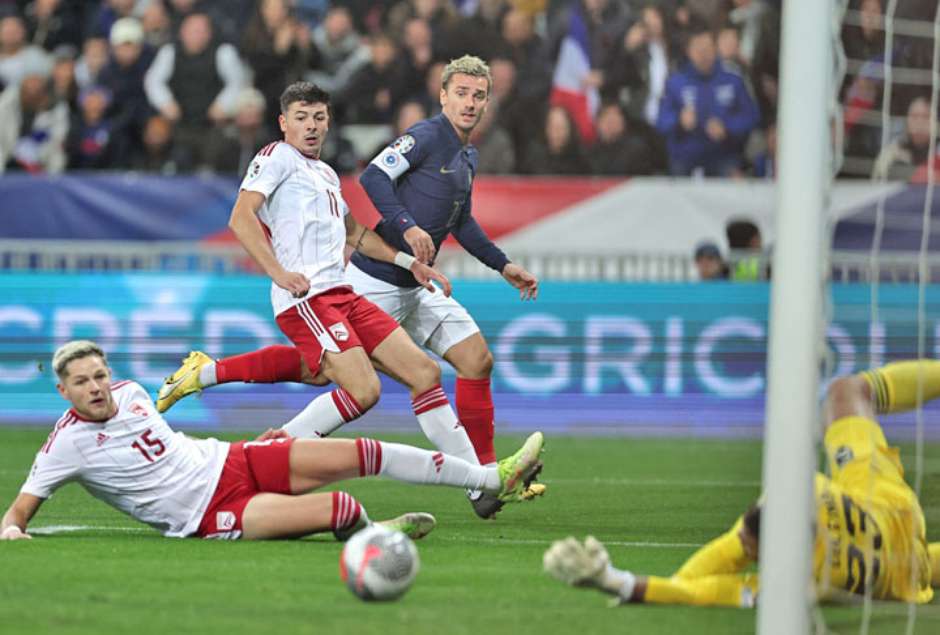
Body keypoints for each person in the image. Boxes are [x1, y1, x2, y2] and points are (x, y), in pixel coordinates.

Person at [155, 81, 543, 518]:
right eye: (301, 118)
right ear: (284, 124)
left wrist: (408, 262)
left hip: (341, 293)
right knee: (363, 389)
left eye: (319, 118)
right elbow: (240, 218)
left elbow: (357, 234)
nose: (312, 127)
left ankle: (481, 486)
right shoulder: (275, 157)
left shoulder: (324, 174)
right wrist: (280, 274)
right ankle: (269, 454)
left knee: (424, 372)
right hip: (307, 300)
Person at [0, 340, 545, 542]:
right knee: (342, 509)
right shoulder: (64, 446)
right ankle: (374, 534)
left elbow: (166, 446)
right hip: (206, 515)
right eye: (81, 381)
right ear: (63, 390)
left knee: (365, 453)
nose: (95, 387)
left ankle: (490, 477)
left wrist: (265, 444)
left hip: (233, 459)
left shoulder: (134, 392)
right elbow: (19, 510)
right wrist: (12, 532)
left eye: (98, 374)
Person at [544, 359, 940, 606]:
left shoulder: (803, 584)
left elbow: (699, 590)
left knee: (845, 392)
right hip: (880, 495)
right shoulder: (798, 490)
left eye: (750, 548)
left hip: (906, 569)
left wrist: (616, 582)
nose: (743, 550)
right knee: (849, 390)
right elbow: (725, 556)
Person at [352, 55, 540, 517]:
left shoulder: (468, 154)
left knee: (477, 360)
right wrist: (408, 225)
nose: (470, 103)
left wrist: (503, 265)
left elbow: (462, 220)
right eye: (461, 93)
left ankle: (489, 479)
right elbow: (373, 176)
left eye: (478, 96)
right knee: (336, 384)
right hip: (374, 285)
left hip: (418, 286)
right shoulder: (426, 135)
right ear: (442, 95)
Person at [656, 23, 759, 177]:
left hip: (724, 155)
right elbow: (661, 120)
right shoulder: (675, 83)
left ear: (715, 49)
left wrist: (727, 128)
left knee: (734, 177)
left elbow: (751, 116)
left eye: (707, 49)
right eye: (698, 49)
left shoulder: (733, 81)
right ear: (689, 51)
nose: (703, 54)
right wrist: (680, 122)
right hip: (685, 157)